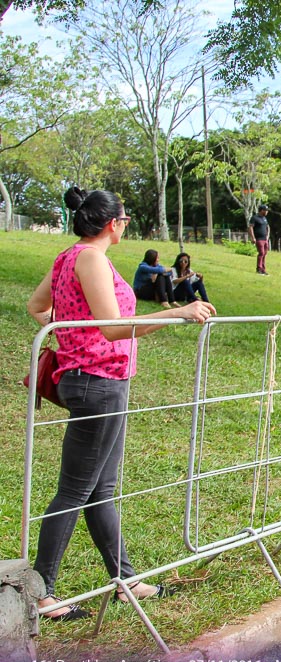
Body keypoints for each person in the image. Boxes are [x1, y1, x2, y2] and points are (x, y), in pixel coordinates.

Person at [26, 187, 216, 621]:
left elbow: (39, 307)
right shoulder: (91, 258)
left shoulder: (67, 257)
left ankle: (124, 580)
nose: (126, 225)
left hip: (94, 380)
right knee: (75, 490)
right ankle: (42, 592)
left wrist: (71, 332)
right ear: (113, 223)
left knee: (99, 491)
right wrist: (175, 313)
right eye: (125, 219)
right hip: (97, 382)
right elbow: (112, 328)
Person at [248, 204, 270, 275]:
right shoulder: (255, 218)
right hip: (259, 239)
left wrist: (267, 236)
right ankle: (259, 269)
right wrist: (253, 237)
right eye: (266, 210)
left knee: (264, 254)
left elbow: (268, 227)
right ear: (262, 210)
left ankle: (263, 269)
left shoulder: (264, 218)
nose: (267, 212)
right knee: (261, 253)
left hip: (265, 239)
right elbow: (251, 227)